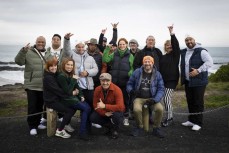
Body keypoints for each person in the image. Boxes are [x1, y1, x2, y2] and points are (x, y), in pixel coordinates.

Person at [15, 36, 47, 135]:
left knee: (40, 106)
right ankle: (32, 126)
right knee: (32, 107)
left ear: (45, 43)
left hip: (43, 86)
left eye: (42, 42)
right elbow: (18, 62)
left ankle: (37, 123)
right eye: (39, 42)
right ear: (36, 42)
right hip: (32, 85)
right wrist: (23, 51)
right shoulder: (28, 52)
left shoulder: (47, 53)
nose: (40, 43)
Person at [180, 34, 213, 131]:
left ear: (194, 40)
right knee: (190, 101)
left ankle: (198, 122)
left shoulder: (201, 51)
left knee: (198, 102)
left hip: (199, 81)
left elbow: (210, 62)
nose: (189, 42)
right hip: (188, 81)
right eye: (186, 40)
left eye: (190, 39)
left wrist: (198, 70)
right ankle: (191, 120)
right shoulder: (185, 51)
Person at [127, 56, 165, 138]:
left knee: (160, 109)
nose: (147, 63)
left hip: (152, 98)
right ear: (143, 63)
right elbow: (129, 84)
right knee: (136, 110)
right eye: (145, 61)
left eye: (149, 62)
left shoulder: (157, 74)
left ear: (152, 63)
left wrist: (155, 100)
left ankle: (156, 128)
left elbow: (161, 89)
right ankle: (139, 127)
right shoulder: (137, 72)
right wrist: (131, 91)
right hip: (139, 98)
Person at [57, 57, 91, 140]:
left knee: (75, 110)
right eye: (68, 64)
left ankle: (60, 129)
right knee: (86, 108)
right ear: (63, 65)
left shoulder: (71, 75)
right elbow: (67, 91)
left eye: (71, 65)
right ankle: (83, 131)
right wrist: (73, 80)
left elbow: (77, 87)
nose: (70, 66)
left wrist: (81, 96)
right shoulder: (61, 76)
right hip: (66, 99)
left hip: (72, 98)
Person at [102, 38, 134, 126]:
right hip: (114, 82)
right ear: (118, 45)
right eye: (120, 44)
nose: (121, 46)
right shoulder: (114, 54)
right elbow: (105, 60)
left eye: (123, 44)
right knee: (113, 100)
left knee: (125, 100)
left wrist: (130, 73)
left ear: (126, 45)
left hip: (124, 82)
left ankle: (126, 117)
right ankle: (113, 117)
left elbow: (132, 67)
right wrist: (107, 49)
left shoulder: (130, 55)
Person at [63, 33, 98, 110]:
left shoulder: (90, 58)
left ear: (85, 48)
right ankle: (67, 121)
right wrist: (66, 40)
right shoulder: (71, 55)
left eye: (82, 47)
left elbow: (96, 70)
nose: (81, 48)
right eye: (78, 47)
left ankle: (88, 120)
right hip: (76, 86)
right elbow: (66, 50)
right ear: (76, 47)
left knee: (90, 104)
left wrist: (88, 72)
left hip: (88, 87)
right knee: (74, 106)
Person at [43, 57, 76, 139]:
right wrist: (71, 93)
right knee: (70, 110)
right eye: (51, 66)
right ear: (47, 67)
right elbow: (58, 91)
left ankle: (65, 125)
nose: (54, 68)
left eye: (55, 66)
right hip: (51, 101)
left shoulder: (54, 74)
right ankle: (60, 130)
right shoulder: (48, 78)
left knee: (73, 106)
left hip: (57, 98)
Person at [90, 73, 125, 139]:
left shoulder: (117, 90)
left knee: (117, 117)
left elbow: (120, 107)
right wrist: (104, 113)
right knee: (93, 117)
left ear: (111, 81)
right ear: (100, 81)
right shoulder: (97, 89)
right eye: (103, 81)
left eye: (107, 81)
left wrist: (105, 106)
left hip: (116, 111)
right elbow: (95, 105)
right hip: (105, 111)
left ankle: (116, 129)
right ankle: (110, 127)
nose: (105, 83)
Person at [159, 24, 180, 127]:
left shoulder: (176, 55)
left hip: (172, 80)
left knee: (167, 98)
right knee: (163, 99)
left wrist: (171, 33)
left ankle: (170, 118)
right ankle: (165, 116)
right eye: (168, 45)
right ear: (165, 47)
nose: (170, 46)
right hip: (162, 81)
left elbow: (176, 45)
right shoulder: (162, 57)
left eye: (171, 45)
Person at [41, 34, 64, 124]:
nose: (56, 40)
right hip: (49, 76)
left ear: (60, 41)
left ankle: (61, 115)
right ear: (51, 41)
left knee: (59, 94)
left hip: (59, 75)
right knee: (48, 95)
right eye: (54, 39)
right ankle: (45, 117)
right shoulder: (47, 52)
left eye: (58, 39)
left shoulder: (63, 51)